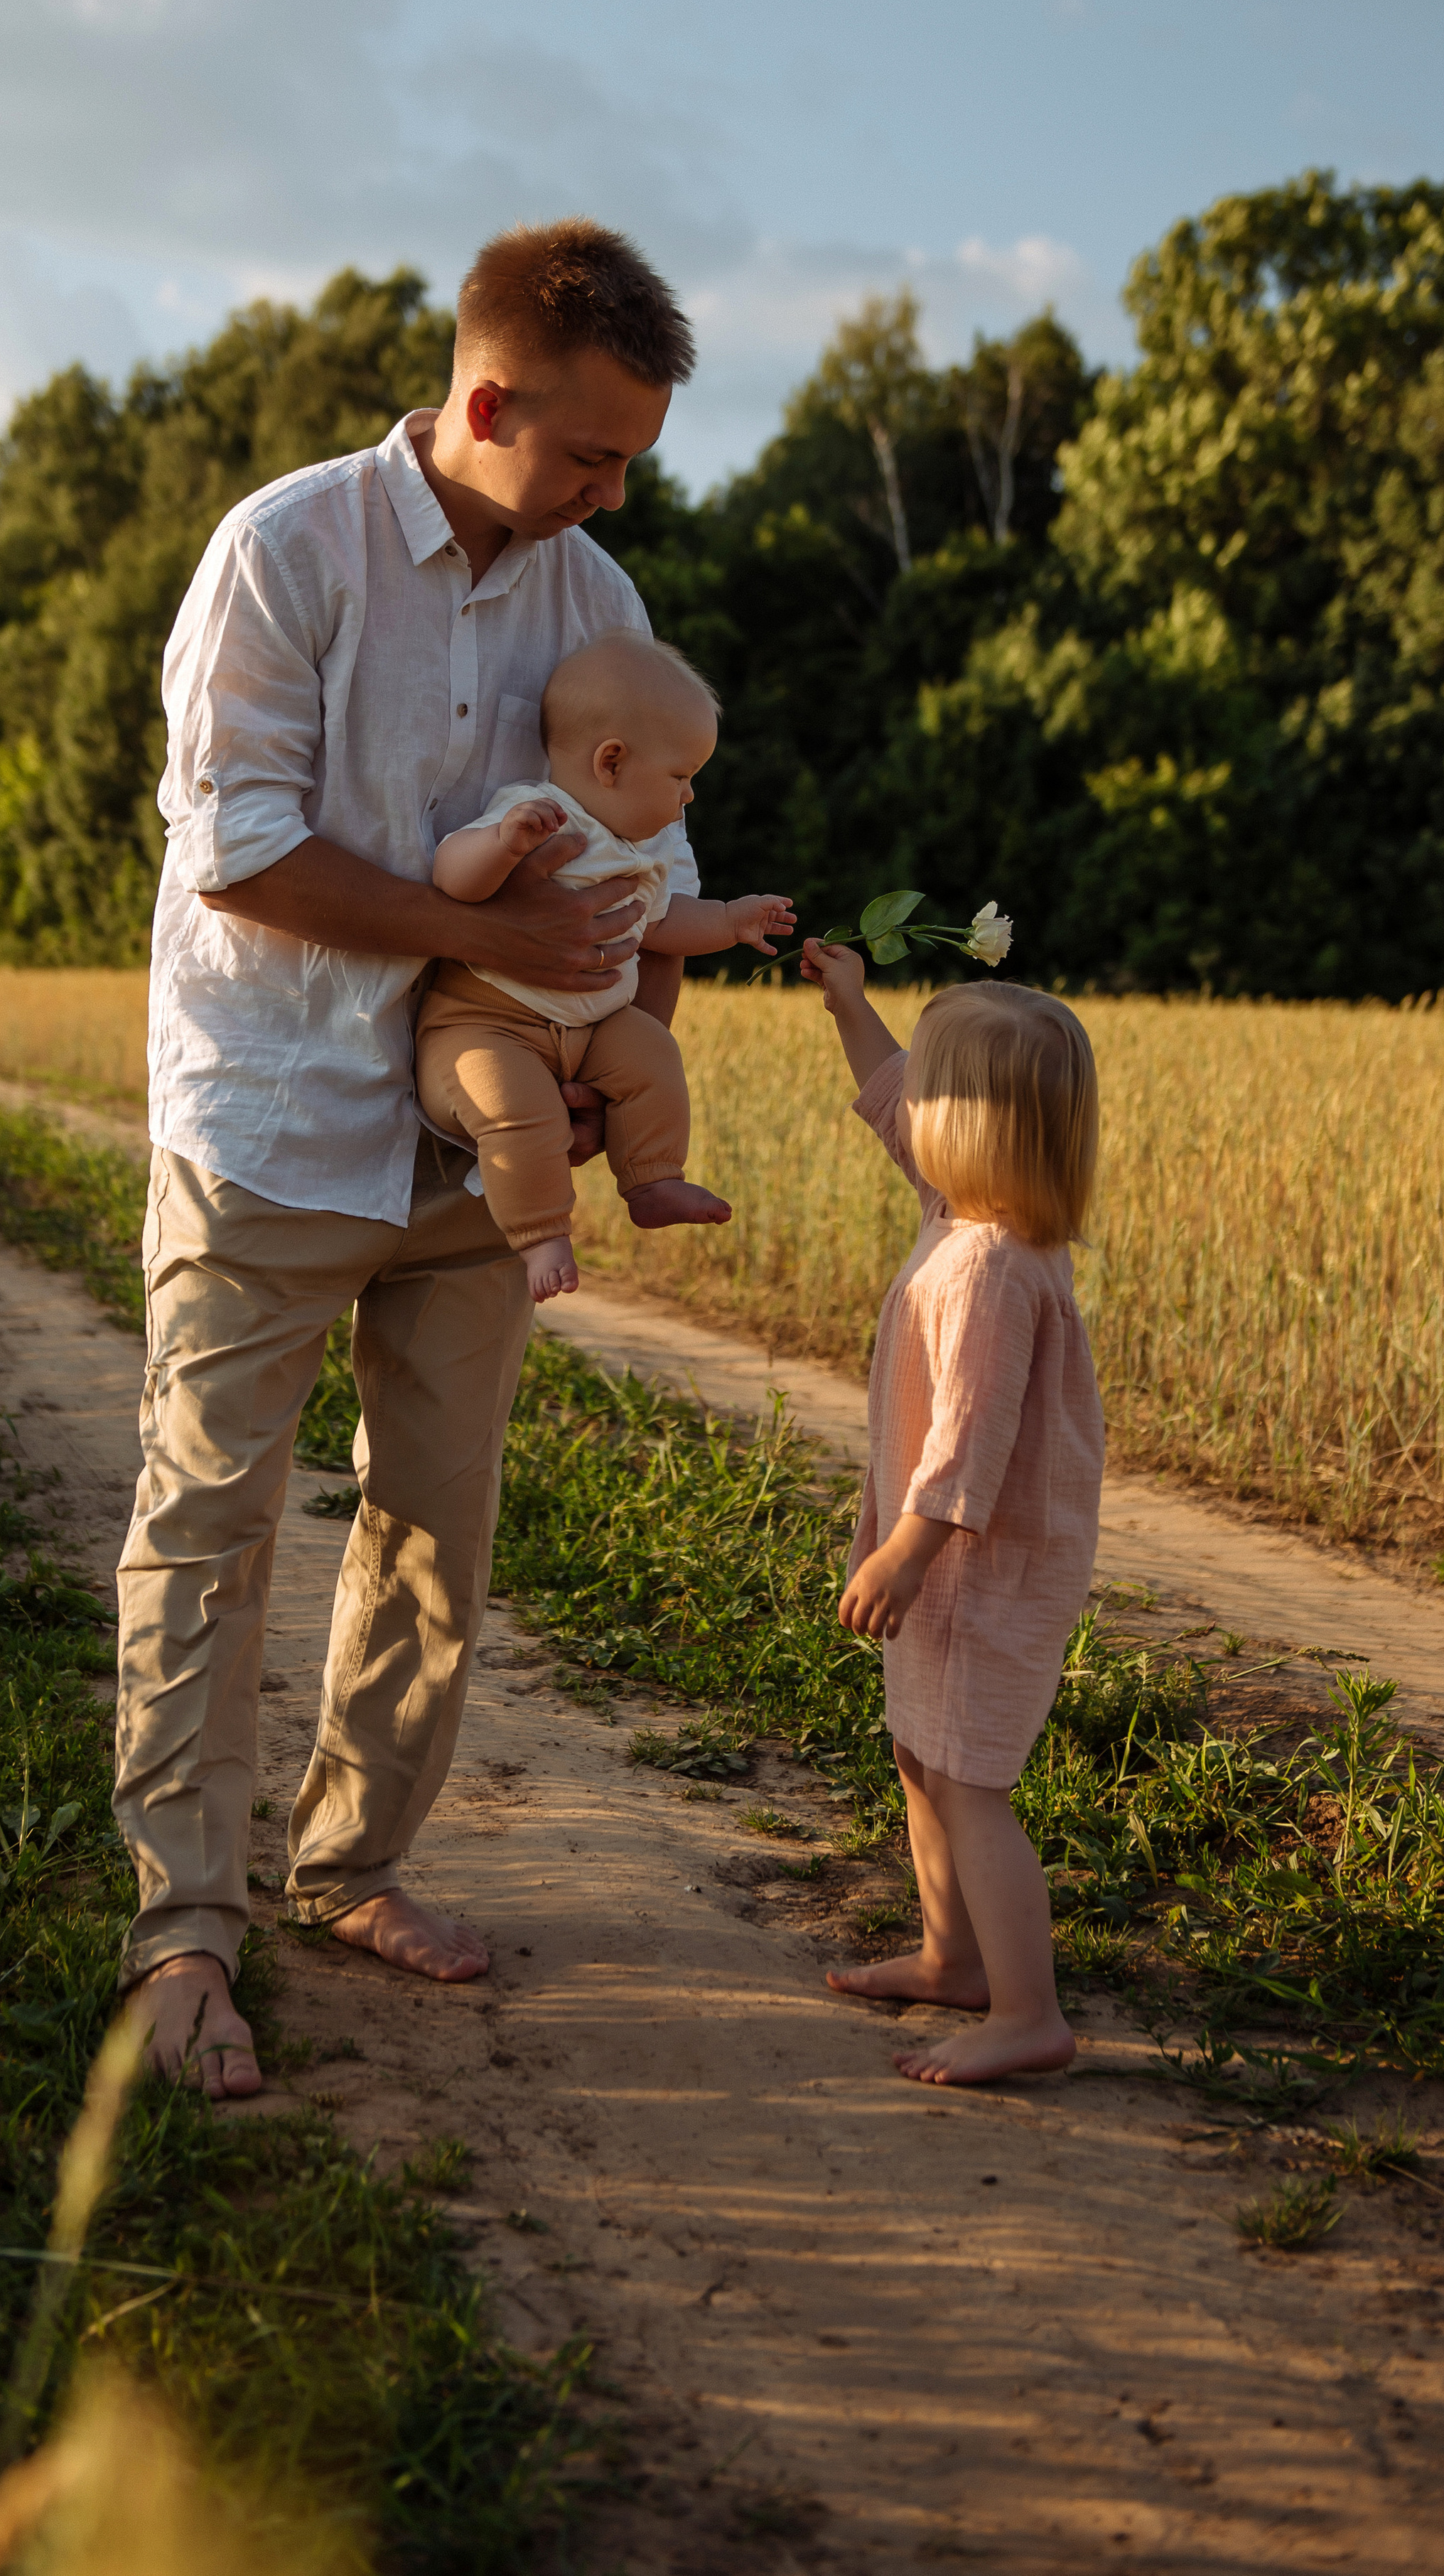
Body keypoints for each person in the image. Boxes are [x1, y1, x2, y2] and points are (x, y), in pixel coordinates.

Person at [114, 219, 699, 2098]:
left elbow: (637, 882)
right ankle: (183, 1930)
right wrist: (513, 953)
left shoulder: (589, 591)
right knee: (208, 1535)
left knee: (438, 1531)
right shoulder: (284, 549)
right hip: (274, 1112)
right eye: (592, 452)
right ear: (489, 396)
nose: (613, 494)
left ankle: (352, 1865)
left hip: (470, 1152)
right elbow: (244, 850)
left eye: (633, 463)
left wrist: (622, 1063)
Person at [800, 937, 1104, 2087]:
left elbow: (969, 1440)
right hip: (950, 1561)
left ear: (971, 1127)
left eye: (930, 1088)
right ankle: (952, 1954)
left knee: (971, 1776)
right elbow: (890, 1104)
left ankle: (1028, 2007)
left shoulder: (988, 1270)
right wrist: (849, 1003)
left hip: (973, 1561)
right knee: (921, 1754)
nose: (907, 1101)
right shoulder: (968, 1210)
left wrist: (906, 1549)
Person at [416, 628, 795, 1300]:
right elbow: (452, 877)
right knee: (516, 1109)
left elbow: (663, 926)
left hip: (592, 1029)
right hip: (485, 1025)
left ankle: (653, 1177)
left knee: (653, 1053)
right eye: (681, 777)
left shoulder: (639, 852)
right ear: (612, 763)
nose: (688, 798)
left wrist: (732, 919)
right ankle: (540, 1233)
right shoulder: (537, 815)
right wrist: (502, 848)